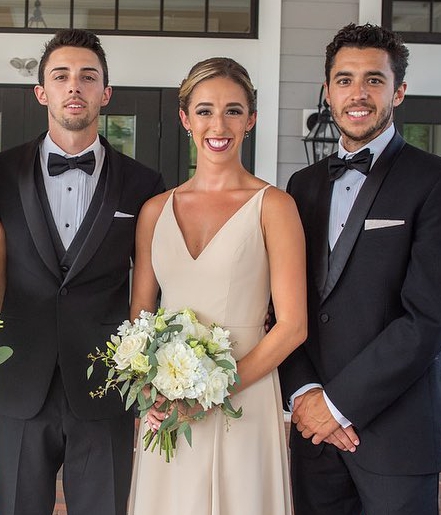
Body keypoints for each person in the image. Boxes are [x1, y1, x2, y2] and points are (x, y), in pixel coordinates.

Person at [127, 57, 307, 515]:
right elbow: (141, 318)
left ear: (251, 119)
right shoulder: (154, 211)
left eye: (233, 109)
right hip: (168, 406)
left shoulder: (275, 206)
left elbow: (292, 326)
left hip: (242, 399)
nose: (218, 124)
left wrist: (214, 393)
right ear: (185, 118)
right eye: (205, 110)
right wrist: (151, 393)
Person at [0, 29, 164, 515]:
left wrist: (145, 372)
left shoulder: (144, 183)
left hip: (106, 386)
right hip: (17, 383)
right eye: (62, 76)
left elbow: (147, 286)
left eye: (88, 77)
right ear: (42, 92)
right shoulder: (1, 174)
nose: (75, 86)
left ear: (105, 93)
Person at [280, 22, 441, 515]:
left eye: (374, 80)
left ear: (399, 92)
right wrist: (306, 394)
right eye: (345, 79)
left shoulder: (432, 180)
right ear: (327, 92)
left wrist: (336, 405)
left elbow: (426, 319)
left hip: (396, 434)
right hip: (313, 437)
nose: (358, 93)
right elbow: (286, 304)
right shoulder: (301, 185)